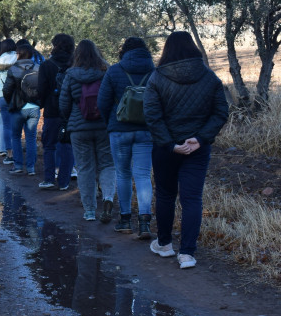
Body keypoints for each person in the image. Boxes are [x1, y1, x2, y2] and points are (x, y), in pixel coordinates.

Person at [144, 31, 228, 269]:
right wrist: (200, 139)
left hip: (165, 148)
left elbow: (152, 116)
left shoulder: (157, 78)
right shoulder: (209, 76)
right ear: (193, 48)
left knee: (166, 195)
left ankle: (165, 244)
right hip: (197, 149)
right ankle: (187, 254)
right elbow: (220, 112)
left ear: (167, 50)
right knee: (192, 199)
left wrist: (171, 144)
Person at [98, 37, 155, 237]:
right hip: (146, 131)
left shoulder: (114, 70)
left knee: (122, 174)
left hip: (119, 130)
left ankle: (125, 220)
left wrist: (110, 122)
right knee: (142, 175)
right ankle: (145, 223)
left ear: (125, 51)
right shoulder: (154, 71)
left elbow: (102, 102)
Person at [58, 39, 116, 222]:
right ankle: (107, 198)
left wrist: (71, 120)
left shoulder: (71, 75)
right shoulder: (106, 72)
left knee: (84, 168)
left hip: (79, 128)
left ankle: (90, 210)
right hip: (103, 126)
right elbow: (112, 99)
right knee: (107, 164)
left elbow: (64, 103)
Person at [36, 33, 75, 191]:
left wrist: (42, 103)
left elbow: (41, 90)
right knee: (68, 145)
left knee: (49, 145)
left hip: (52, 111)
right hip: (72, 112)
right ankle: (64, 182)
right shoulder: (76, 64)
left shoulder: (47, 65)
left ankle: (49, 179)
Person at [2, 43, 41, 175]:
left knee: (16, 137)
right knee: (31, 138)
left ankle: (18, 165)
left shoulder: (13, 69)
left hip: (17, 108)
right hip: (34, 107)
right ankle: (31, 168)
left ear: (18, 54)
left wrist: (10, 103)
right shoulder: (38, 68)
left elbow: (7, 89)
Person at [0, 39, 17, 164]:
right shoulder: (18, 56)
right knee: (17, 125)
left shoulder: (0, 60)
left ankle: (10, 154)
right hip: (18, 96)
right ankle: (18, 152)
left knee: (6, 125)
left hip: (4, 95)